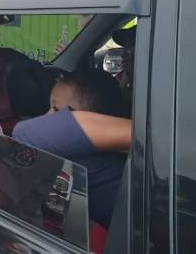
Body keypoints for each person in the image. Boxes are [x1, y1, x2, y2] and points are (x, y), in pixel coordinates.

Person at [12, 68, 130, 227]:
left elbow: (24, 133)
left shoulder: (92, 165)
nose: (46, 118)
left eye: (58, 112)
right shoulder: (118, 166)